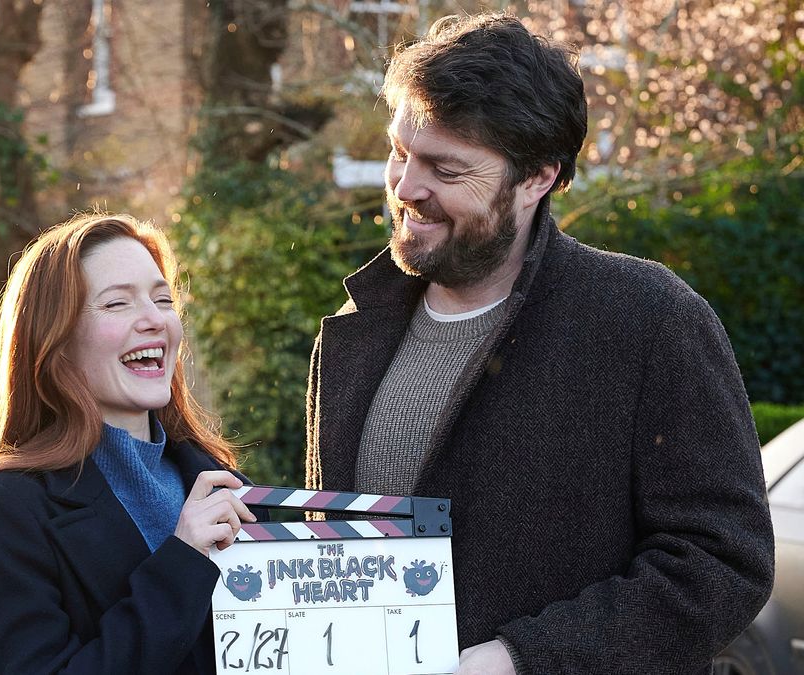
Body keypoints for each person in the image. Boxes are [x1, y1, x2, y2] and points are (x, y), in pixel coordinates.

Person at [303, 13, 774, 674]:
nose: (406, 187)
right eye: (401, 151)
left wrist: (524, 657)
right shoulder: (353, 328)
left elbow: (725, 559)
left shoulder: (649, 319)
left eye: (444, 168)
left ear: (536, 180)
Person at [0, 213, 260, 674]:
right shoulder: (0, 513)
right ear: (54, 339)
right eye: (117, 304)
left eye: (163, 300)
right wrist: (182, 562)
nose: (154, 320)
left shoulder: (226, 488)